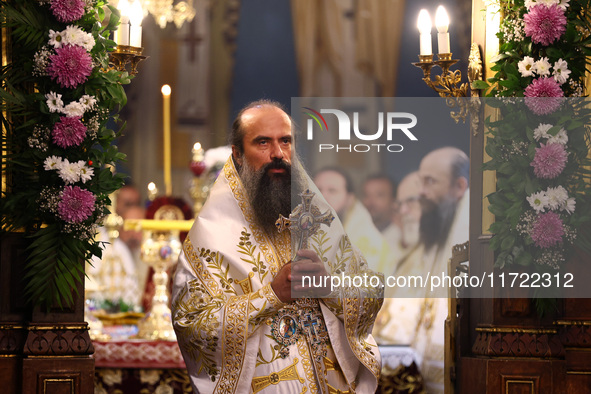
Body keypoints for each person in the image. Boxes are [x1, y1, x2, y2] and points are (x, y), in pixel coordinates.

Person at [172, 100, 383, 394]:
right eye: (262, 143)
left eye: (285, 141)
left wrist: (330, 289)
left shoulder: (317, 219)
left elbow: (372, 289)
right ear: (238, 154)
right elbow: (192, 326)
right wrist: (271, 296)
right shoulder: (212, 234)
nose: (278, 154)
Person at [390, 147, 469, 394]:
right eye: (420, 182)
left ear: (459, 186)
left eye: (430, 182)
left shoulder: (468, 243)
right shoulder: (434, 236)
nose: (422, 191)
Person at [314, 167, 391, 273]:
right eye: (317, 189)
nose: (322, 196)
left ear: (349, 199)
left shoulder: (368, 241)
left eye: (332, 191)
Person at [361, 173, 401, 248]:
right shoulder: (355, 233)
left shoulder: (401, 240)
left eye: (379, 195)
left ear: (394, 201)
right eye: (366, 195)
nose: (370, 202)